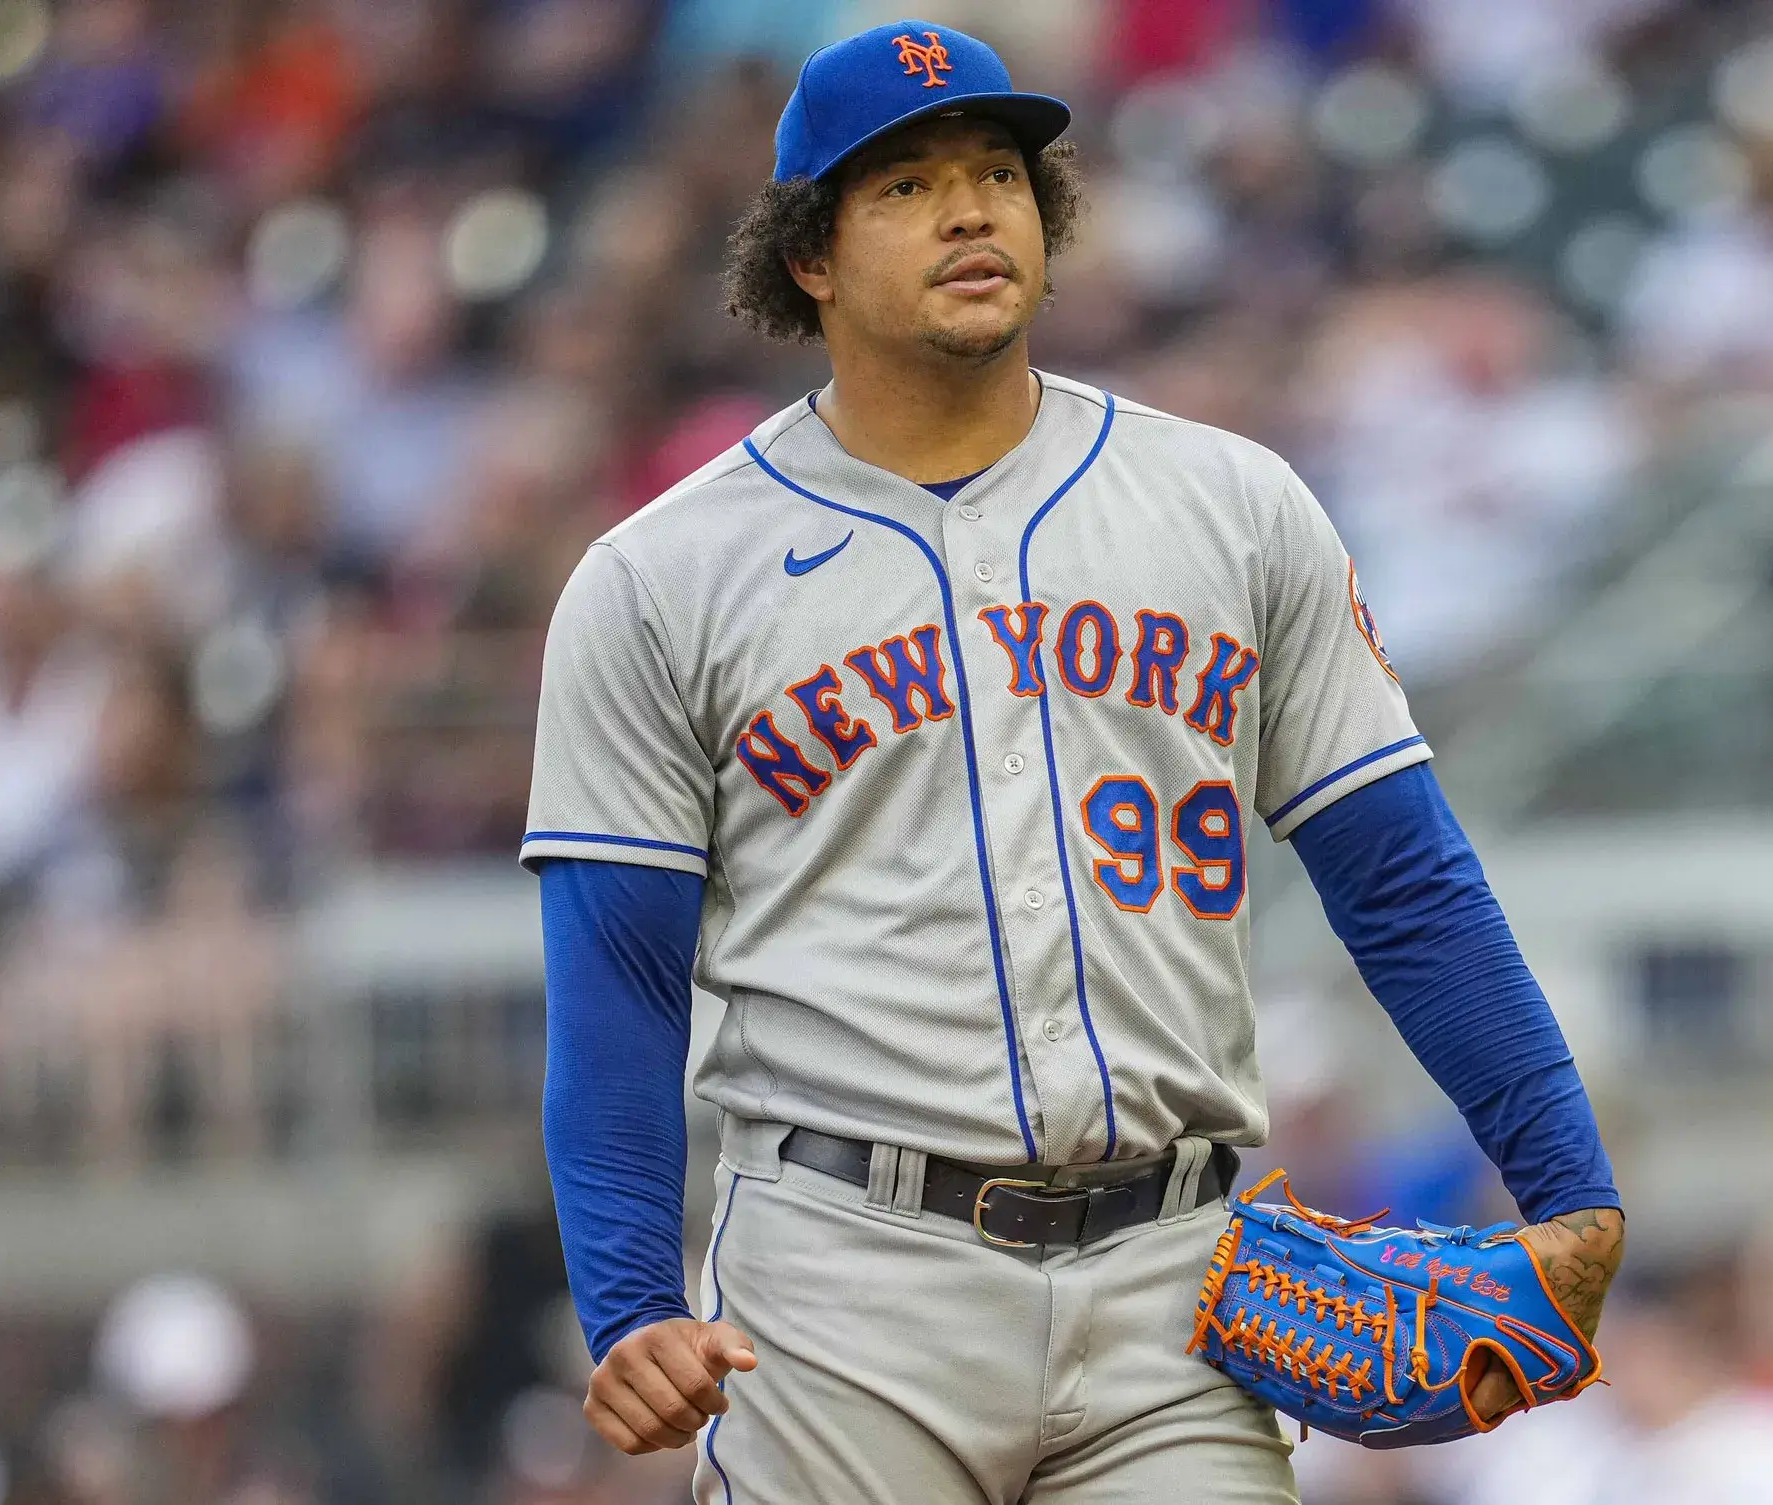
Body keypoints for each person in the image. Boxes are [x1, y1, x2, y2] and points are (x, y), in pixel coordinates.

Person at [526, 20, 1624, 1502]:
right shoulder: (661, 576)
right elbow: (619, 975)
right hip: (847, 1286)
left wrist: (1566, 1184)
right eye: (905, 186)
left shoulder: (1229, 503)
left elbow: (1403, 881)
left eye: (999, 172)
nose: (973, 208)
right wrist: (628, 1303)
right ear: (809, 257)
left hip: (1179, 1277)